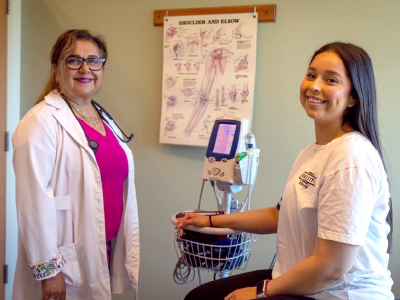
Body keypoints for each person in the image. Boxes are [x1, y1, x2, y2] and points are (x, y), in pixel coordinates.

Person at [175, 42, 394, 300]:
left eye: (330, 80)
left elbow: (332, 267)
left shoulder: (351, 158)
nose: (315, 86)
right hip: (305, 283)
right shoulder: (312, 152)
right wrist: (210, 220)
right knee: (201, 296)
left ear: (353, 97)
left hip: (337, 293)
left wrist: (259, 292)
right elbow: (279, 216)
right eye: (311, 75)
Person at [12, 29, 139, 300]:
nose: (85, 68)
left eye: (94, 60)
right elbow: (32, 202)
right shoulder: (41, 121)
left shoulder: (102, 117)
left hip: (102, 248)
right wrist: (49, 271)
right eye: (73, 60)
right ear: (57, 68)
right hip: (64, 259)